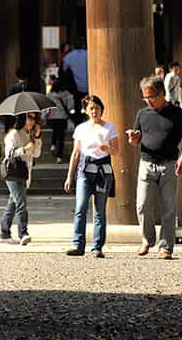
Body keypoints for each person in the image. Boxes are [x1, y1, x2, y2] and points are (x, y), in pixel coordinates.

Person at [126, 74, 182, 259]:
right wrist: (133, 139)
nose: (148, 101)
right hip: (146, 163)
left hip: (169, 164)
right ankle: (147, 241)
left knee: (168, 208)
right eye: (145, 97)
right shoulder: (142, 113)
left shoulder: (178, 114)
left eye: (152, 97)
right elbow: (134, 141)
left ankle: (166, 247)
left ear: (162, 93)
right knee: (142, 205)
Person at [64, 95, 119, 258]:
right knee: (80, 208)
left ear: (102, 109)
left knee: (99, 211)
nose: (94, 111)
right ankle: (78, 244)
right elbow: (76, 153)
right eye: (91, 108)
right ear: (86, 110)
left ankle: (97, 246)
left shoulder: (109, 127)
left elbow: (116, 151)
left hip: (103, 172)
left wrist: (107, 148)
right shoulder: (81, 128)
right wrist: (69, 176)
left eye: (97, 108)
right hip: (84, 171)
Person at [0, 112, 41, 245]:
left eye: (34, 118)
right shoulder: (14, 134)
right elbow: (9, 153)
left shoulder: (30, 135)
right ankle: (23, 233)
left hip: (24, 173)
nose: (32, 121)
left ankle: (4, 232)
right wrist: (24, 149)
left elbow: (37, 154)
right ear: (22, 118)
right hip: (13, 172)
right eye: (29, 117)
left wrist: (37, 138)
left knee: (13, 203)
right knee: (21, 203)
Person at [46, 78, 73, 162]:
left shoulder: (50, 94)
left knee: (54, 131)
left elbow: (47, 106)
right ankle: (59, 156)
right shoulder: (66, 94)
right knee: (61, 137)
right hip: (63, 117)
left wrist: (45, 115)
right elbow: (70, 106)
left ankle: (53, 144)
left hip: (53, 117)